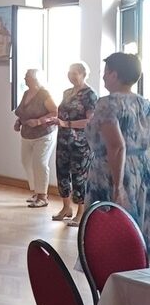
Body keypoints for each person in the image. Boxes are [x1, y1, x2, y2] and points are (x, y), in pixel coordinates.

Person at [86, 52, 150, 244]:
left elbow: (116, 146)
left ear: (114, 74)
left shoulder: (107, 103)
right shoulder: (144, 103)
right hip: (140, 169)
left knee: (111, 228)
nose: (103, 76)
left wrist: (118, 186)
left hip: (113, 170)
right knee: (136, 227)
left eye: (106, 72)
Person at [52, 62, 97, 226]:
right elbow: (62, 115)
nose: (71, 76)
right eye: (69, 72)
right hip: (63, 139)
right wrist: (55, 121)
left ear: (83, 74)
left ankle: (81, 212)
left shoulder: (90, 95)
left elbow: (90, 121)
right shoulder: (67, 92)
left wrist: (67, 124)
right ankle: (66, 208)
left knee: (79, 177)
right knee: (62, 172)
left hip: (81, 143)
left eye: (75, 73)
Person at [13, 69, 58, 209]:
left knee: (40, 163)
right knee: (26, 161)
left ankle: (42, 196)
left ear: (35, 79)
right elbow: (22, 112)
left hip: (44, 135)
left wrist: (39, 121)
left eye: (27, 76)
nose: (25, 78)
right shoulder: (26, 93)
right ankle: (36, 191)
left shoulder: (44, 94)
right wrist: (18, 122)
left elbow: (55, 112)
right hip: (27, 134)